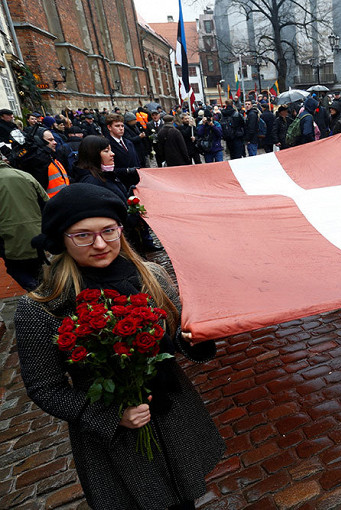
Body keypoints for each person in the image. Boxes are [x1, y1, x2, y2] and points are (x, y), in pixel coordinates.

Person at [14, 183, 225, 509]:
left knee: (185, 498)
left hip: (174, 415)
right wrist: (112, 416)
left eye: (108, 231)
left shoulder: (150, 275)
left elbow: (181, 335)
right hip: (116, 439)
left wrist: (197, 339)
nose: (100, 244)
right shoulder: (41, 308)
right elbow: (45, 388)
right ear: (61, 240)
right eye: (83, 235)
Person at [0, 161, 47, 290]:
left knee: (15, 268)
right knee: (36, 267)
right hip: (35, 234)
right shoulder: (24, 175)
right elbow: (45, 203)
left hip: (7, 239)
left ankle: (36, 291)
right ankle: (44, 292)